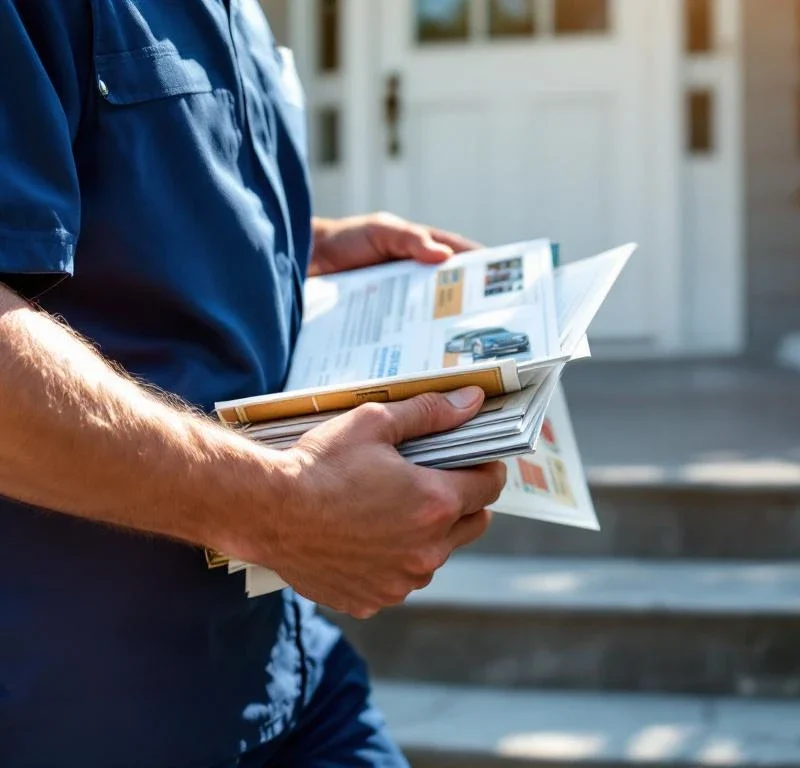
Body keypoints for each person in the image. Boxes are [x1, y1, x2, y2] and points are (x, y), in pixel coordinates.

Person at [0, 2, 506, 766]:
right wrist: (282, 512)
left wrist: (301, 246)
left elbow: (111, 209)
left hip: (286, 671)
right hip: (79, 710)